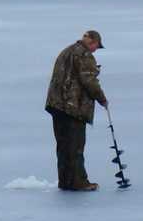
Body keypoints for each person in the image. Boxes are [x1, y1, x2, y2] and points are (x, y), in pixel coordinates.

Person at [45, 29, 109, 191]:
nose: (96, 50)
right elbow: (89, 81)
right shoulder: (85, 55)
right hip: (73, 107)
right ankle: (78, 182)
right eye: (96, 46)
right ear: (92, 42)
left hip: (56, 105)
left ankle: (65, 181)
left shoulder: (66, 51)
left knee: (63, 146)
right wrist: (102, 99)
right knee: (75, 147)